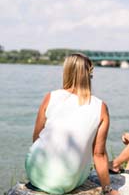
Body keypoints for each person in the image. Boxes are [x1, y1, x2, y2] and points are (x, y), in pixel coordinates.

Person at [25, 53, 118, 195]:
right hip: (67, 181)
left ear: (66, 72)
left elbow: (36, 138)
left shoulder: (50, 96)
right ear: (89, 74)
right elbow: (98, 155)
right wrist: (108, 190)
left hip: (36, 172)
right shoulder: (101, 107)